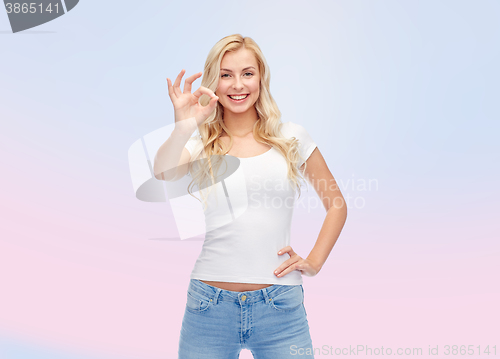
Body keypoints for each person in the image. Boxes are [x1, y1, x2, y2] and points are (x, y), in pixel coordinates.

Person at [154, 34, 347, 359]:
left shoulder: (291, 137)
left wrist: (314, 261)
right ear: (214, 83)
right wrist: (183, 126)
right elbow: (163, 173)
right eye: (226, 75)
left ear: (261, 78)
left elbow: (336, 205)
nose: (237, 85)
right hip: (208, 306)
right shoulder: (203, 142)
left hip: (280, 307)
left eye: (247, 73)